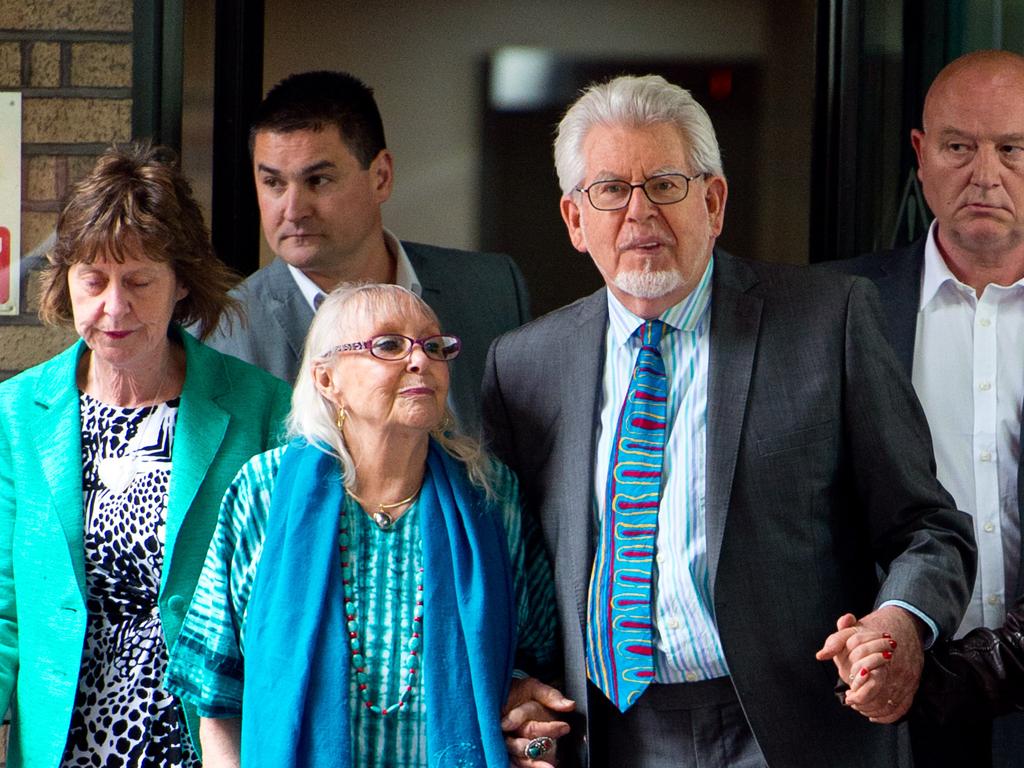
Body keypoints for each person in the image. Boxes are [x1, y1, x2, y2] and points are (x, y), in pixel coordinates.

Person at [481, 74, 976, 768]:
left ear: (713, 202)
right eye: (610, 191)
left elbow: (930, 529)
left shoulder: (827, 322)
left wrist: (900, 624)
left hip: (797, 727)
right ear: (574, 220)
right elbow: (509, 570)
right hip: (611, 735)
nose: (638, 213)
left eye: (665, 184)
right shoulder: (523, 366)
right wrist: (514, 682)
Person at [166, 283, 568, 768]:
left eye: (433, 346)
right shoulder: (263, 492)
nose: (419, 361)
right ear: (327, 379)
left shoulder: (490, 496)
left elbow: (539, 665)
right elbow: (218, 695)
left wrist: (532, 730)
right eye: (390, 345)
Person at [0, 143, 292, 767]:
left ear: (181, 281)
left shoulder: (261, 408)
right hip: (62, 746)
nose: (114, 305)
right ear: (66, 282)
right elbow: (2, 607)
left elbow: (289, 602)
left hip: (207, 744)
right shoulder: (17, 413)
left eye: (138, 281)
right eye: (94, 280)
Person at [836, 49, 1024, 767]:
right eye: (958, 146)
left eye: (1012, 148)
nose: (985, 174)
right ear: (920, 154)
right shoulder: (833, 308)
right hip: (888, 701)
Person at [200, 70, 530, 435]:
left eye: (318, 180)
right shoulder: (222, 333)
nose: (293, 209)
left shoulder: (492, 288)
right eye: (273, 183)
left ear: (381, 177)